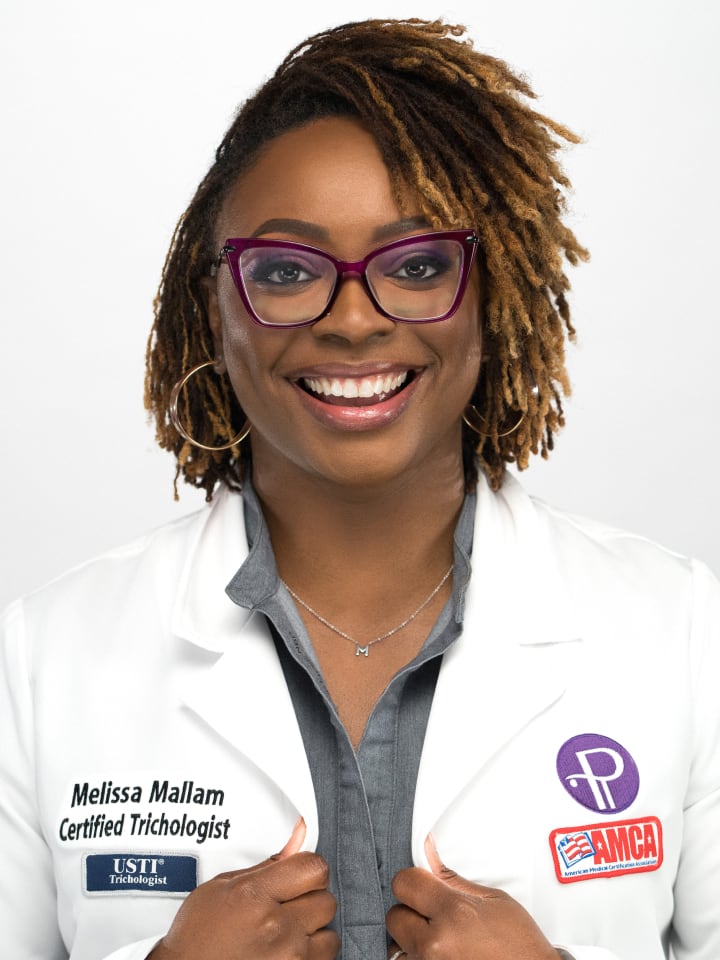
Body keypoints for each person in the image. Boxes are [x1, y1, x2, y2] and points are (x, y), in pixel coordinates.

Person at [1, 17, 718, 960]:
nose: (351, 319)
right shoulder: (39, 661)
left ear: (490, 298)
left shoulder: (685, 635)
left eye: (418, 266)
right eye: (288, 271)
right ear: (212, 311)